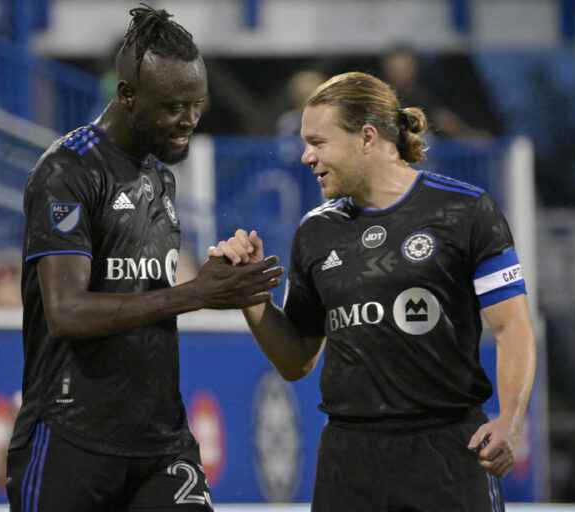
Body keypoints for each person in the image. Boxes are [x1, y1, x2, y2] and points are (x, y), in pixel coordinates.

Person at [211, 71, 536, 511]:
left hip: (448, 454)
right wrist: (252, 298)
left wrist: (511, 421)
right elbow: (296, 360)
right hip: (349, 461)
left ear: (366, 137)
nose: (306, 156)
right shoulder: (315, 231)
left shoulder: (466, 210)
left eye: (318, 142)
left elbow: (513, 328)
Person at [6, 5, 282, 511]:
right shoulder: (67, 172)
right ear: (127, 96)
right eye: (173, 106)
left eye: (197, 104)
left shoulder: (161, 177)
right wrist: (194, 293)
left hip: (160, 439)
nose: (189, 121)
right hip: (72, 436)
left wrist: (218, 286)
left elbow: (146, 296)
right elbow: (66, 312)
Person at [381, 44, 490, 139]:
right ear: (386, 68)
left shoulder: (424, 96)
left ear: (414, 67)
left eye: (405, 68)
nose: (400, 73)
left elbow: (444, 120)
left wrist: (468, 135)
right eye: (395, 68)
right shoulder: (380, 97)